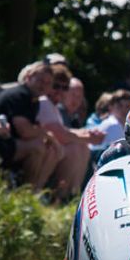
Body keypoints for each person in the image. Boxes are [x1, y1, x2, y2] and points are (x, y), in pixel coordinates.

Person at [36, 64, 104, 201]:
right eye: (56, 86)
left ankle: (72, 195)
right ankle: (57, 196)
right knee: (74, 149)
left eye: (65, 88)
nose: (60, 91)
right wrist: (88, 137)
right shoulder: (44, 102)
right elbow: (60, 134)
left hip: (48, 148)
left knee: (81, 147)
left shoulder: (53, 106)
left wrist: (87, 135)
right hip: (42, 148)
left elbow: (63, 131)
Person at [0, 61, 62, 194]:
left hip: (9, 142)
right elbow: (24, 131)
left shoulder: (34, 100)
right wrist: (48, 136)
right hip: (2, 143)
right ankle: (26, 194)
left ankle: (36, 192)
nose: (43, 85)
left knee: (47, 148)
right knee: (37, 147)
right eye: (40, 80)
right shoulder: (19, 95)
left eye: (48, 83)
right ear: (28, 77)